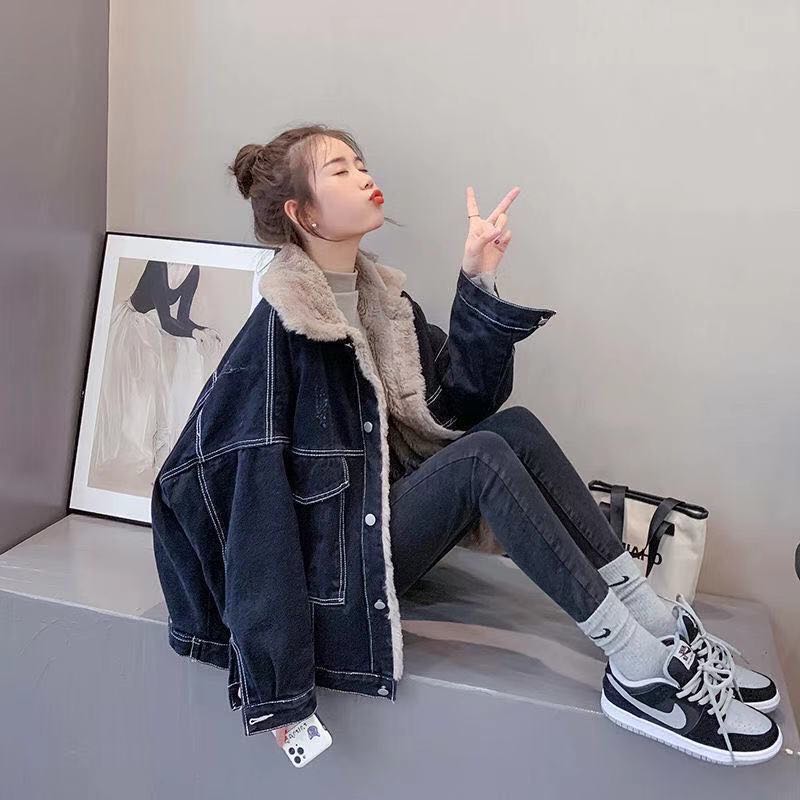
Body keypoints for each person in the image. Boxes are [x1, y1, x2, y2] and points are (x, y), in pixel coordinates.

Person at [154, 124, 780, 765]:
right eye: (340, 170)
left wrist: (477, 278)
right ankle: (636, 666)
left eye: (360, 162)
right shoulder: (279, 336)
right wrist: (278, 691)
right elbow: (250, 516)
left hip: (376, 528)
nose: (364, 176)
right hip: (337, 579)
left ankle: (656, 623)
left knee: (514, 429)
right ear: (302, 213)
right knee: (483, 460)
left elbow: (454, 409)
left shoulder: (381, 304)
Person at [93, 260, 223, 482]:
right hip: (131, 325)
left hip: (152, 326)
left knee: (181, 360)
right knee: (145, 390)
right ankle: (151, 455)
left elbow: (182, 318)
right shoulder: (158, 265)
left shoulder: (193, 270)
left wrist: (203, 330)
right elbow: (165, 321)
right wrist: (195, 333)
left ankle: (164, 454)